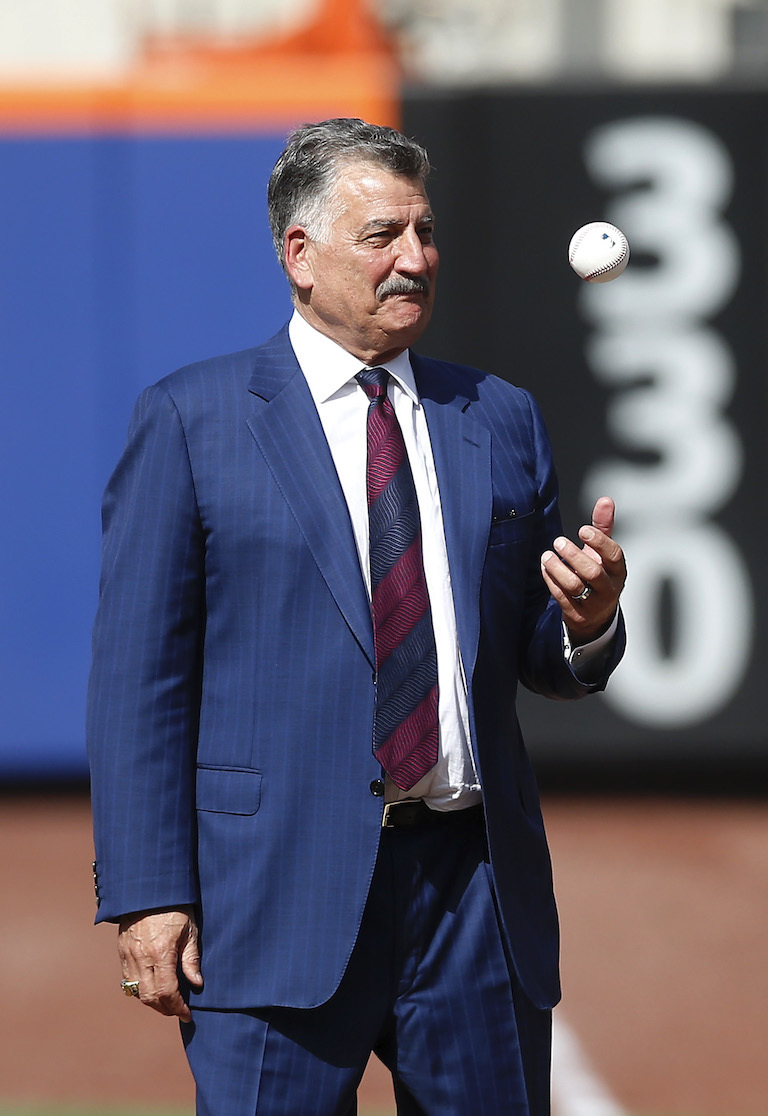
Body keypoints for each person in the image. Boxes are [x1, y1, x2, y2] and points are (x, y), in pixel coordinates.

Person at [87, 117, 626, 1115]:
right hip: (270, 896)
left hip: (471, 895)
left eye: (423, 233)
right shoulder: (191, 419)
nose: (413, 259)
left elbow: (536, 655)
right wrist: (147, 893)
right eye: (381, 234)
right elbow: (138, 681)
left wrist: (585, 620)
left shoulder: (497, 416)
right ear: (298, 253)